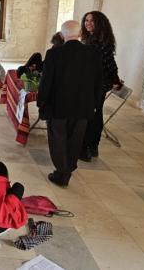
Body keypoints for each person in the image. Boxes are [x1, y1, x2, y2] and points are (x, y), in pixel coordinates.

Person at [37, 20, 104, 188]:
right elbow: (99, 82)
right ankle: (68, 169)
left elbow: (46, 82)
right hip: (83, 107)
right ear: (80, 33)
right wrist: (96, 104)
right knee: (75, 140)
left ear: (61, 35)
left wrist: (41, 102)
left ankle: (61, 172)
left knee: (58, 138)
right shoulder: (93, 54)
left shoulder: (54, 54)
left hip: (59, 106)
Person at [81, 11, 123, 161]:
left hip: (98, 83)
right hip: (96, 82)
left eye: (92, 21)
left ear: (99, 23)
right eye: (86, 20)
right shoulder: (93, 38)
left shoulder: (99, 40)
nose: (88, 23)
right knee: (95, 114)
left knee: (92, 115)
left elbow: (108, 63)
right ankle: (92, 147)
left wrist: (116, 80)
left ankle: (88, 148)